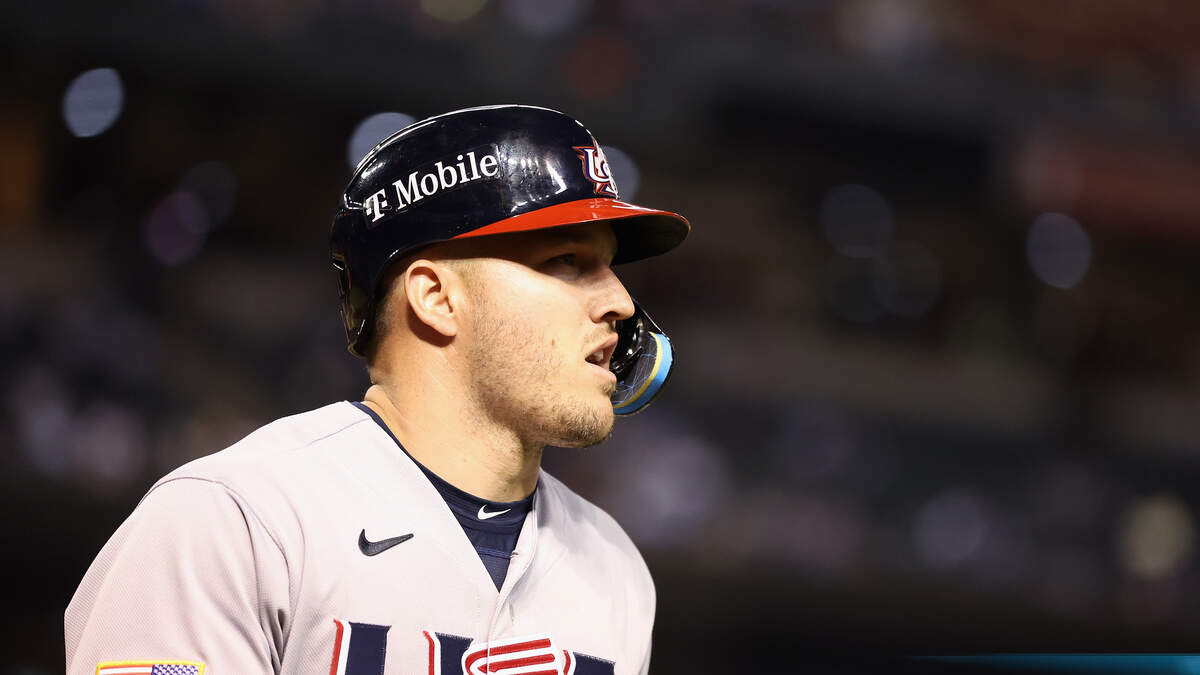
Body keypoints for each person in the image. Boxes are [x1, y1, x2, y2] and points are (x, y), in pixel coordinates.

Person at [65, 104, 690, 675]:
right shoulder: (237, 522)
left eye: (609, 267)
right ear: (436, 297)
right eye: (567, 261)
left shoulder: (616, 570)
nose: (620, 301)